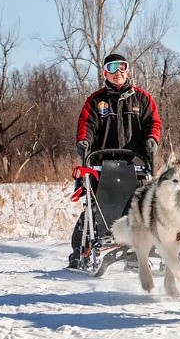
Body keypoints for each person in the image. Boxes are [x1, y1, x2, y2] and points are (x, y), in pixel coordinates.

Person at [68, 53, 163, 268]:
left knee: (140, 208)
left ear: (128, 70)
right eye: (112, 67)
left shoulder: (142, 98)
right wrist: (83, 141)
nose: (118, 71)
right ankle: (79, 251)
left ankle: (139, 250)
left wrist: (152, 139)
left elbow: (153, 123)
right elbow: (86, 125)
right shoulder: (96, 100)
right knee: (96, 208)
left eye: (122, 67)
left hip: (135, 165)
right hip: (102, 163)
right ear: (105, 73)